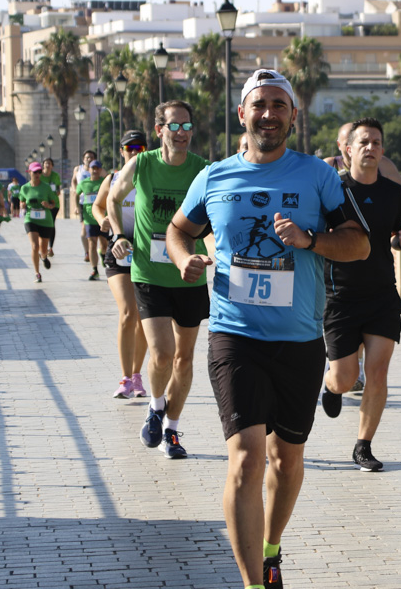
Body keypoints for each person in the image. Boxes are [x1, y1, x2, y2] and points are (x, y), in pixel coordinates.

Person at [168, 69, 370, 589]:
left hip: (301, 339)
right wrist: (183, 257)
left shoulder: (318, 177)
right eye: (260, 105)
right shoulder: (214, 176)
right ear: (242, 114)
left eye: (279, 105)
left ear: (293, 117)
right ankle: (254, 582)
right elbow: (177, 229)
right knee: (246, 458)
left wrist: (310, 241)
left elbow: (359, 244)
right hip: (234, 335)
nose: (269, 114)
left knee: (287, 456)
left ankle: (272, 546)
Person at [107, 100, 211, 459]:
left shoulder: (202, 170)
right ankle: (155, 405)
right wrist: (118, 235)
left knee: (184, 359)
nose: (181, 134)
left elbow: (217, 215)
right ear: (159, 130)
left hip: (189, 276)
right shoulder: (142, 164)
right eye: (174, 127)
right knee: (163, 353)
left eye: (187, 126)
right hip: (149, 274)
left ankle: (172, 430)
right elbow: (111, 199)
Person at [318, 118, 401, 473]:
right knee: (344, 378)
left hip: (381, 294)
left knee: (377, 372)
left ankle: (363, 445)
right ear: (348, 150)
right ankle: (329, 385)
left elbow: (392, 236)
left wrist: (399, 243)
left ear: (382, 150)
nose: (371, 148)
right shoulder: (332, 192)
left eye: (376, 142)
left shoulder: (392, 193)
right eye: (364, 143)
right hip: (340, 295)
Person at [93, 131, 150, 399]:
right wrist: (102, 220)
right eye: (129, 148)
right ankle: (125, 378)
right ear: (122, 151)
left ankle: (137, 376)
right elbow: (96, 206)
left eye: (139, 147)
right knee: (128, 312)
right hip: (118, 251)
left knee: (142, 318)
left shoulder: (151, 178)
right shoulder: (112, 179)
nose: (134, 152)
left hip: (146, 252)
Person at [20, 161, 58, 283]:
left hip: (45, 220)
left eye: (39, 172)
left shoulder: (46, 187)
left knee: (43, 248)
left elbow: (54, 203)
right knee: (35, 246)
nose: (37, 174)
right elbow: (21, 201)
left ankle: (44, 257)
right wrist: (22, 205)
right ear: (29, 172)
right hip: (30, 219)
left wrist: (48, 205)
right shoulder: (24, 188)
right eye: (35, 172)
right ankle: (37, 273)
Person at [77, 160, 108, 281]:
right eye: (92, 168)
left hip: (102, 218)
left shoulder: (104, 182)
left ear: (100, 170)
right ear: (89, 170)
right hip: (89, 218)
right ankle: (95, 270)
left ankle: (103, 254)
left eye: (97, 168)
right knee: (92, 243)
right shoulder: (84, 183)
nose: (95, 171)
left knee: (104, 243)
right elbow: (75, 193)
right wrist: (76, 207)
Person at [72, 149, 99, 261]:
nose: (89, 159)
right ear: (83, 159)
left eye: (91, 157)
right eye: (87, 157)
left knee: (99, 230)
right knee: (84, 228)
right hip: (83, 203)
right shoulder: (78, 169)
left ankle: (97, 250)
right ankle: (87, 252)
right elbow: (74, 180)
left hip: (97, 203)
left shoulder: (98, 170)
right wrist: (75, 190)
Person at [40, 158, 62, 256]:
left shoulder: (55, 176)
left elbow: (58, 188)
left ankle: (50, 247)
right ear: (43, 165)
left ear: (52, 166)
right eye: (46, 163)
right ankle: (42, 247)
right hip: (43, 204)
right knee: (42, 225)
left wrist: (57, 191)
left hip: (54, 204)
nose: (47, 165)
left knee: (51, 224)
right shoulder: (39, 176)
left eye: (49, 163)